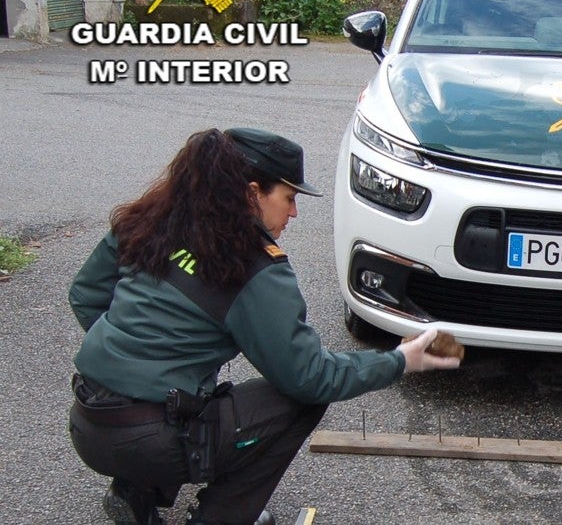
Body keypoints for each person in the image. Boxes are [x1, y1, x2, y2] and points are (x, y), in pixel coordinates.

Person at [68, 128, 461, 525]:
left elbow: (85, 294)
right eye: (289, 198)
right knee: (299, 400)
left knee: (181, 397)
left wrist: (128, 359)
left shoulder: (152, 218)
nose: (293, 213)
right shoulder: (253, 267)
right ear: (252, 193)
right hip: (150, 441)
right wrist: (400, 360)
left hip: (88, 421)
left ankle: (135, 491)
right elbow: (310, 377)